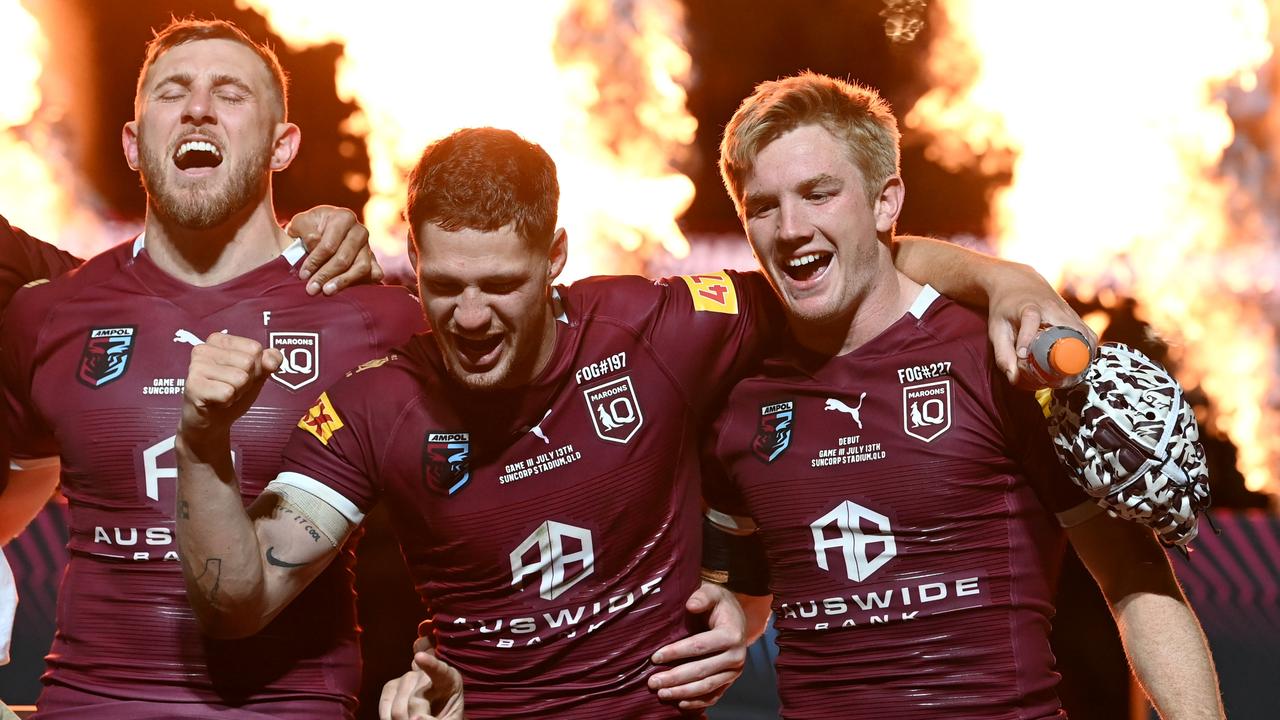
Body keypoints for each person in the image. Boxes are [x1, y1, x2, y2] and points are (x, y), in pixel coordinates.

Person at [174, 126, 1088, 719]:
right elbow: (237, 600)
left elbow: (845, 265)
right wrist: (203, 445)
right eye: (445, 287)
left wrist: (1009, 282)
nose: (473, 316)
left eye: (502, 285)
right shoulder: (376, 402)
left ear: (556, 260)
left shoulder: (657, 328)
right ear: (411, 263)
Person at [703, 71, 1223, 719]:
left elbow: (1133, 577)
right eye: (762, 206)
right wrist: (723, 617)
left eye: (818, 194)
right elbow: (747, 598)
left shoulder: (994, 356)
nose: (790, 228)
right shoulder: (736, 393)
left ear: (886, 201)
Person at [0, 19, 422, 718]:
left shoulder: (374, 321)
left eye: (230, 93)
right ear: (134, 146)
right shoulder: (48, 315)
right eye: (172, 92)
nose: (198, 108)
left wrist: (445, 656)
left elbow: (495, 505)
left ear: (282, 145)